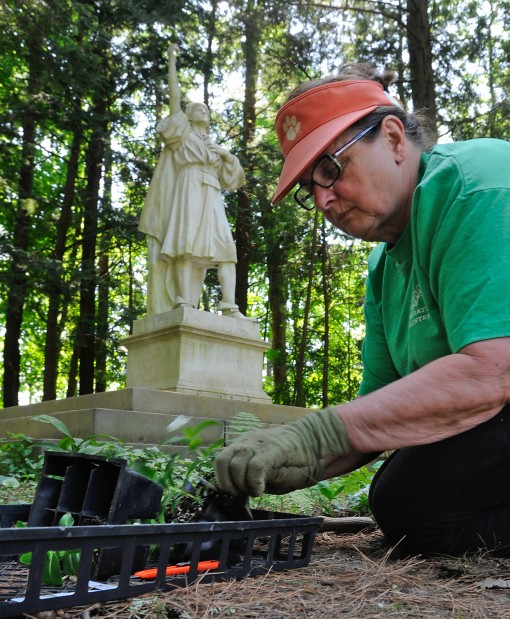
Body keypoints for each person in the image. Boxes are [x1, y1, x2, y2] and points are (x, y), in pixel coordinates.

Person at [215, 63, 510, 556]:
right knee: (411, 502)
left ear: (394, 138)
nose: (324, 199)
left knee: (411, 496)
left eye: (330, 168)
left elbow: (492, 370)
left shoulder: (479, 185)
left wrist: (315, 437)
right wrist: (297, 459)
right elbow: (379, 412)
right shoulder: (383, 268)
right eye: (311, 188)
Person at [139, 45, 247, 318]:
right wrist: (172, 62)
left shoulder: (213, 146)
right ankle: (183, 300)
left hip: (211, 194)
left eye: (205, 109)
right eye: (196, 107)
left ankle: (228, 304)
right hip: (188, 189)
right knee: (185, 245)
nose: (202, 109)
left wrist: (224, 153)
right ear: (187, 116)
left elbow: (233, 179)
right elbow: (174, 96)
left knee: (226, 248)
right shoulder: (183, 135)